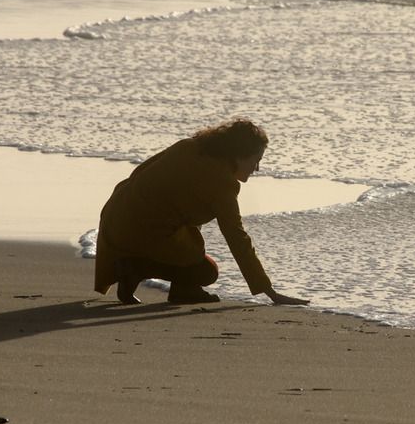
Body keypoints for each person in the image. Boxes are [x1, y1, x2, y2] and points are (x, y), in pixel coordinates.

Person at [93, 119, 310, 306]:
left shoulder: (188, 146)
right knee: (207, 270)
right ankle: (137, 270)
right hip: (139, 231)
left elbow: (139, 174)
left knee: (189, 243)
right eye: (256, 160)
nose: (257, 168)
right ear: (240, 154)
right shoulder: (222, 183)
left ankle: (144, 271)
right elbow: (236, 236)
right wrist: (269, 291)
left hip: (114, 219)